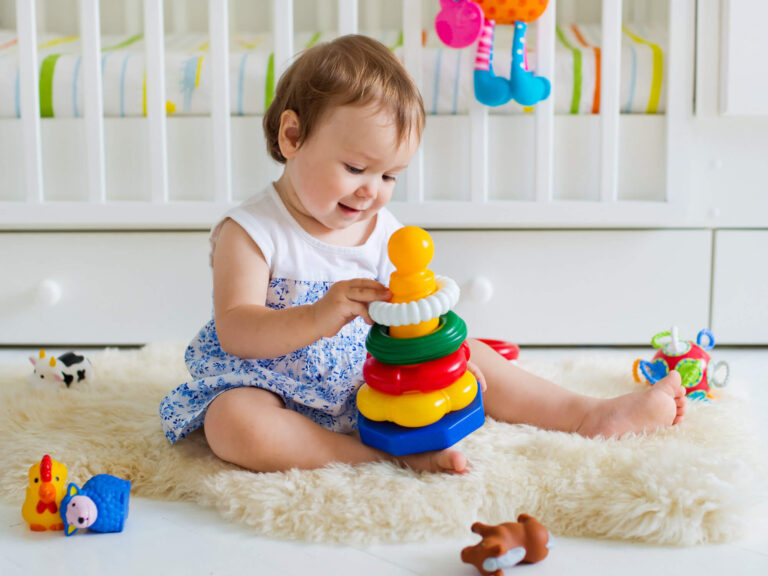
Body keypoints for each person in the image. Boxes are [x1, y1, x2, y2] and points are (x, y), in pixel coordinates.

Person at [159, 35, 686, 475]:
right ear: (293, 136)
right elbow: (236, 330)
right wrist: (321, 315)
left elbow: (413, 322)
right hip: (272, 384)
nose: (371, 191)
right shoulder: (251, 232)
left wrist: (444, 370)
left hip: (372, 378)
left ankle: (586, 414)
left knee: (472, 350)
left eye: (389, 176)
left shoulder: (385, 230)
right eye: (355, 167)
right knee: (232, 423)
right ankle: (369, 457)